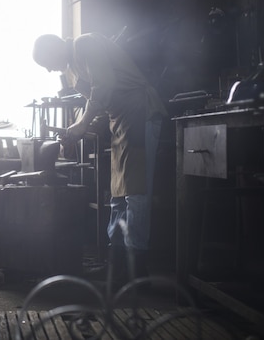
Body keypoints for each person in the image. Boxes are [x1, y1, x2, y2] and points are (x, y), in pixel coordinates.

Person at [32, 32, 167, 284]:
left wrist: (81, 124)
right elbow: (96, 106)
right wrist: (75, 132)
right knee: (118, 196)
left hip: (139, 113)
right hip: (120, 123)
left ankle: (136, 268)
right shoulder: (73, 69)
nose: (50, 70)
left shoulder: (86, 44)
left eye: (46, 63)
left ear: (53, 49)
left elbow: (103, 86)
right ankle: (115, 264)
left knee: (135, 194)